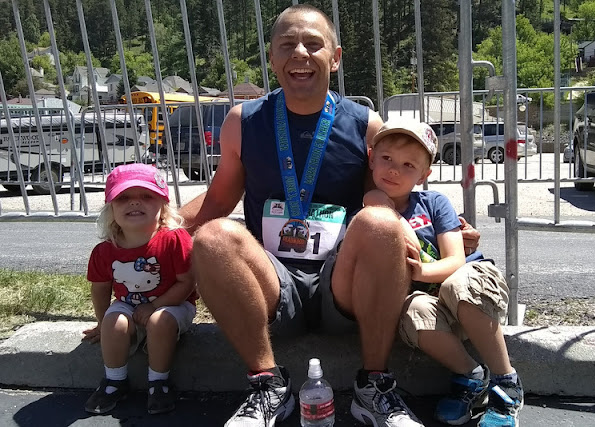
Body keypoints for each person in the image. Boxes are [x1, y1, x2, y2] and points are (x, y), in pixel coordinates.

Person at [180, 5, 476, 427]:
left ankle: (374, 387)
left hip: (343, 285)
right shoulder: (242, 121)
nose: (299, 53)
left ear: (335, 58)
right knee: (214, 237)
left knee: (379, 221)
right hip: (274, 282)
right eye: (287, 44)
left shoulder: (366, 124)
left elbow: (390, 194)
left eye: (313, 44)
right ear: (272, 57)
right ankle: (268, 386)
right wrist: (161, 232)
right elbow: (217, 202)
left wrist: (441, 230)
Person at [364, 119, 523, 427]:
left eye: (408, 165)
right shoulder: (369, 213)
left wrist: (422, 270)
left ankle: (507, 383)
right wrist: (378, 202)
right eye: (387, 159)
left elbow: (455, 260)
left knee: (457, 284)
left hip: (470, 292)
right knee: (412, 310)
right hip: (433, 306)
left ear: (425, 174)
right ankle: (470, 376)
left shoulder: (434, 203)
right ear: (371, 158)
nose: (394, 170)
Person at [83, 163, 197, 415]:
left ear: (163, 206)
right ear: (110, 209)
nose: (135, 202)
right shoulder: (104, 250)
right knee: (113, 322)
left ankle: (159, 382)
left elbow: (187, 282)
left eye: (147, 196)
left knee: (160, 321)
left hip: (174, 304)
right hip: (129, 304)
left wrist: (154, 306)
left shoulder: (174, 239)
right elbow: (100, 290)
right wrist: (102, 324)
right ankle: (115, 381)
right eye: (123, 198)